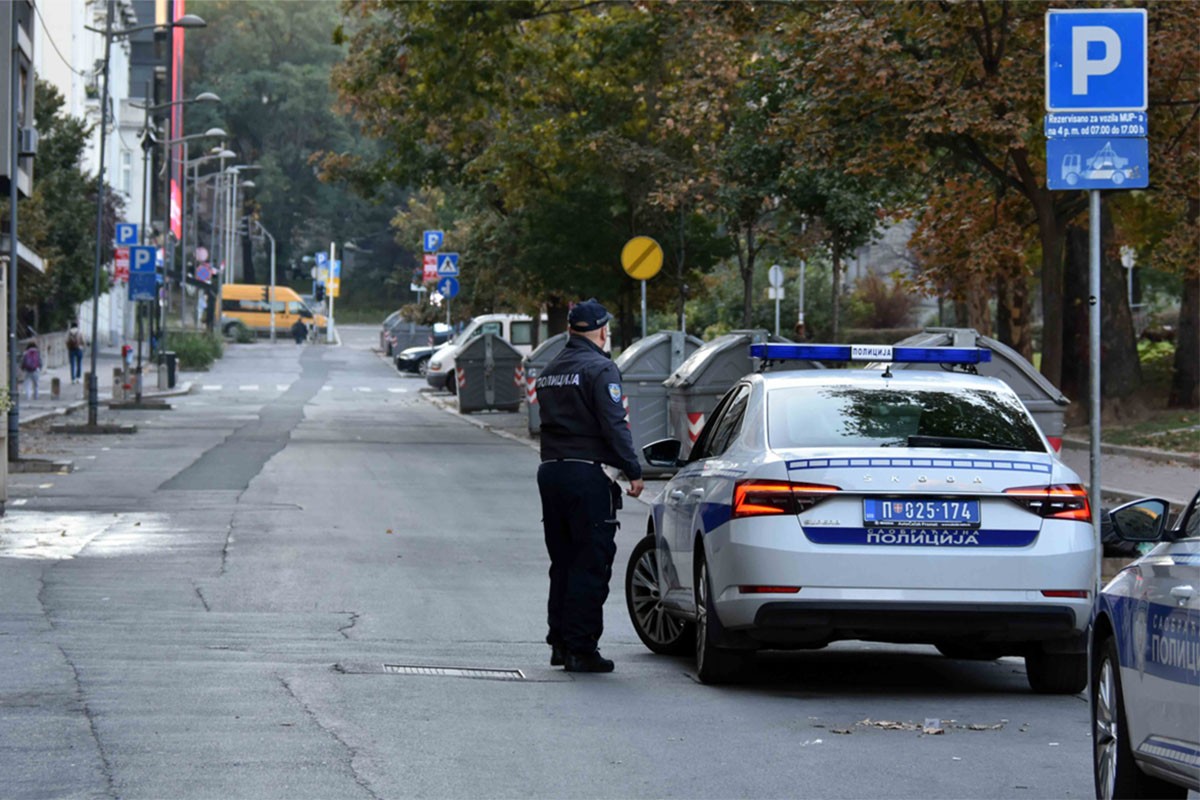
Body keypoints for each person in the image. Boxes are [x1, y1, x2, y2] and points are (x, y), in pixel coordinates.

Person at [535, 298, 644, 673]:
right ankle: (582, 648)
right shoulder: (601, 368)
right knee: (590, 561)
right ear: (601, 330)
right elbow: (615, 424)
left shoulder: (549, 371)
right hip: (588, 475)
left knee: (562, 560)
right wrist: (633, 470)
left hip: (551, 472)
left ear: (570, 329)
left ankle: (560, 642)